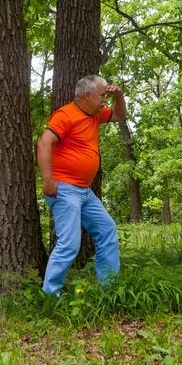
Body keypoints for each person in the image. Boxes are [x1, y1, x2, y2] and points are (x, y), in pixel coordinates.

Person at [37, 75, 126, 295]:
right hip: (65, 189)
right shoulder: (66, 115)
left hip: (83, 192)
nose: (105, 100)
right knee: (69, 244)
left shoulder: (95, 115)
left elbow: (120, 114)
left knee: (107, 230)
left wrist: (119, 96)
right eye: (102, 95)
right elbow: (44, 142)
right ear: (87, 95)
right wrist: (48, 180)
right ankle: (50, 296)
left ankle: (109, 290)